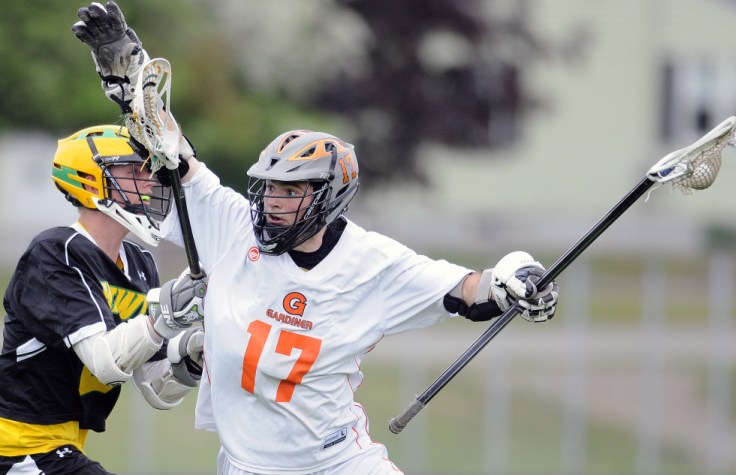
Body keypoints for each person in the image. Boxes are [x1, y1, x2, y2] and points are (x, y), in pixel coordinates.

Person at [72, 3, 560, 474]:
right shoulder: (232, 225)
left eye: (291, 191)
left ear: (328, 199)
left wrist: (517, 276)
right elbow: (172, 152)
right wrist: (129, 79)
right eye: (269, 188)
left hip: (340, 463)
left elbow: (469, 290)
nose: (273, 202)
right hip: (249, 466)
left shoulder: (371, 263)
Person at [0, 124, 208, 475]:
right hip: (18, 443)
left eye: (148, 171)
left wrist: (195, 353)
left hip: (63, 445)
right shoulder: (56, 253)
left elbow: (156, 385)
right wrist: (166, 316)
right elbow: (104, 359)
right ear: (89, 181)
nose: (148, 182)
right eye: (132, 171)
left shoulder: (140, 263)